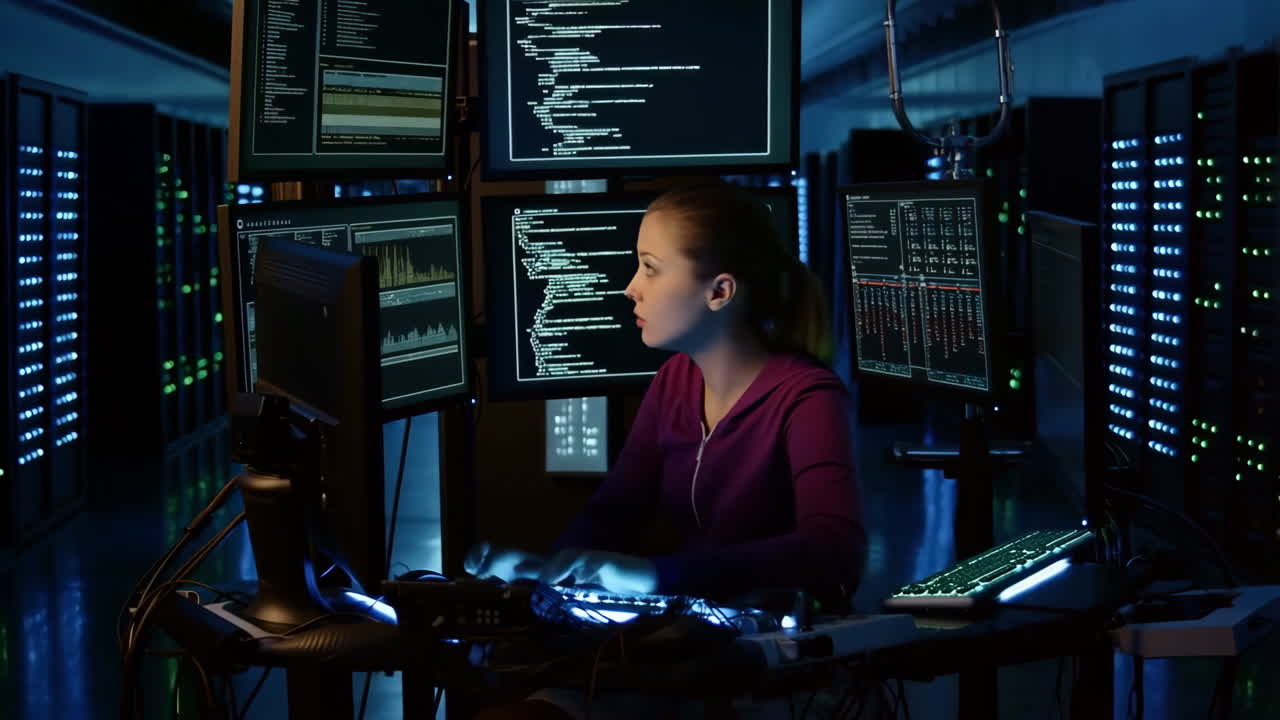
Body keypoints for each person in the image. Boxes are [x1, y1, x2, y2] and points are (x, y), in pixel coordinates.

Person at [468, 183, 866, 719]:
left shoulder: (807, 398)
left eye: (650, 268)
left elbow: (834, 548)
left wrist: (657, 576)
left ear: (719, 292)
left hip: (772, 677)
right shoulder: (676, 381)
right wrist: (545, 573)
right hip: (687, 649)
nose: (631, 288)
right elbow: (616, 509)